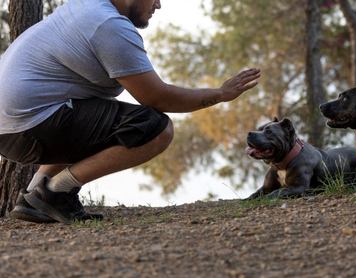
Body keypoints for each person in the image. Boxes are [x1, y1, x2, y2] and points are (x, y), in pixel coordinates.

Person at [0, 0, 260, 224]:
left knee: (93, 117)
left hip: (11, 130)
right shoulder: (108, 25)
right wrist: (220, 94)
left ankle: (36, 194)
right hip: (30, 124)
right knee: (155, 128)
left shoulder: (84, 8)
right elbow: (158, 98)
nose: (159, 5)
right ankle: (57, 192)